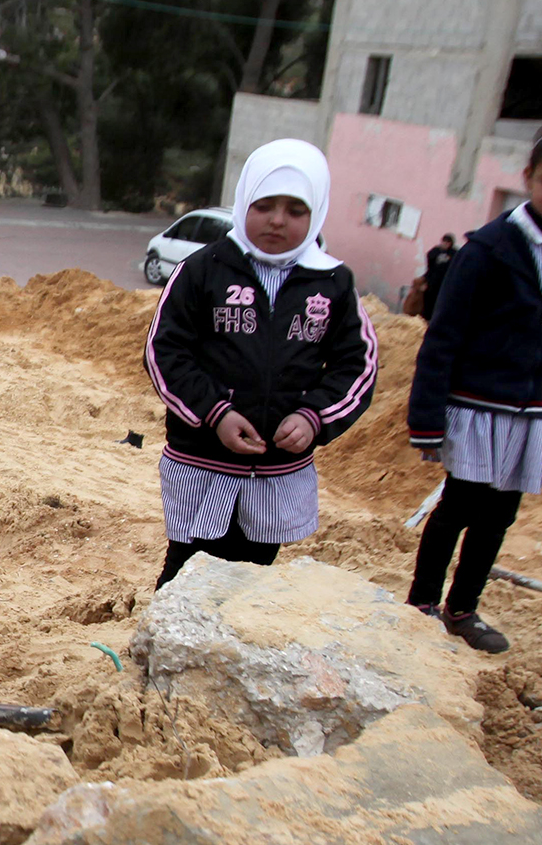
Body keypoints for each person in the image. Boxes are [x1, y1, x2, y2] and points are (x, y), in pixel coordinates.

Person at [404, 112, 542, 653]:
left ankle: (464, 608)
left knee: (499, 515)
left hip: (537, 413)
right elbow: (443, 338)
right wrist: (428, 419)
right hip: (476, 406)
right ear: (529, 176)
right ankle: (422, 604)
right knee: (457, 506)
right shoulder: (490, 248)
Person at [145, 138, 378, 587]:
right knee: (186, 569)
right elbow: (164, 353)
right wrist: (217, 414)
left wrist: (314, 417)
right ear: (243, 201)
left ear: (316, 214)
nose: (277, 220)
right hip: (203, 464)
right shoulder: (203, 269)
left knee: (250, 575)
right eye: (264, 205)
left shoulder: (333, 282)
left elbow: (359, 366)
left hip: (276, 470)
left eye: (295, 210)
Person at [417, 233, 457, 319]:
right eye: (444, 242)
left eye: (448, 243)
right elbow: (430, 267)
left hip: (444, 284)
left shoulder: (454, 254)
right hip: (432, 283)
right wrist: (426, 282)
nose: (445, 244)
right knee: (427, 304)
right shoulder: (435, 251)